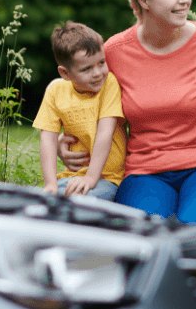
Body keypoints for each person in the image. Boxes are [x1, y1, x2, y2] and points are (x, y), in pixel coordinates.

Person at [58, 0, 196, 229]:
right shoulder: (114, 53)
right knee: (143, 236)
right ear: (143, 1)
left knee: (194, 234)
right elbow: (96, 113)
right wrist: (68, 140)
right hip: (145, 172)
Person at [33, 21, 126, 199]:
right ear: (65, 73)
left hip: (106, 179)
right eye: (87, 69)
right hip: (72, 177)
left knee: (78, 204)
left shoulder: (109, 84)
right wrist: (51, 184)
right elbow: (48, 138)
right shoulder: (55, 90)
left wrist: (90, 178)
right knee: (42, 201)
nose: (98, 72)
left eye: (101, 62)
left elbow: (105, 133)